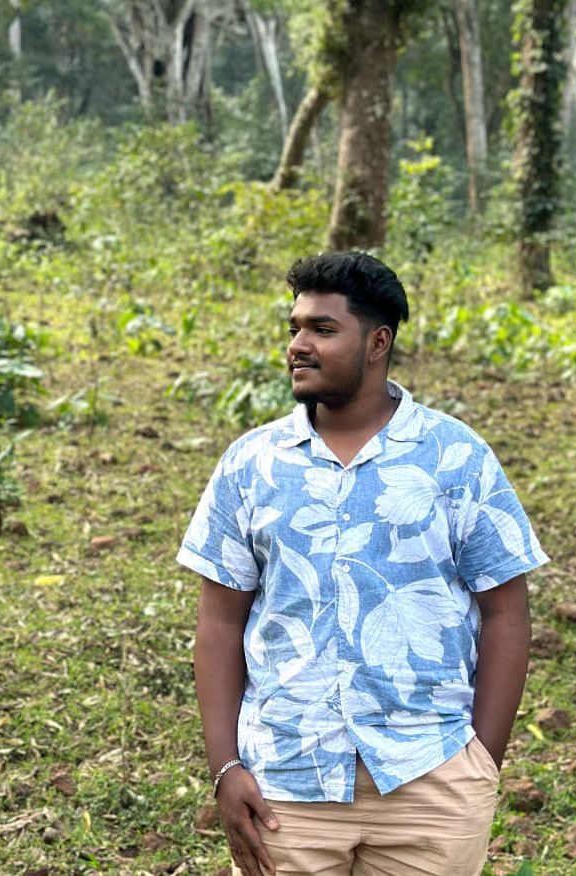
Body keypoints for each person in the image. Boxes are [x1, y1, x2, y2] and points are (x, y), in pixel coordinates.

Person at [178, 251, 549, 876]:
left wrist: (482, 762)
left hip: (430, 779)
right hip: (285, 784)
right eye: (295, 328)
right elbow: (219, 623)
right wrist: (226, 768)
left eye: (323, 329)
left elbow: (506, 612)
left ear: (378, 342)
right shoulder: (251, 464)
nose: (298, 345)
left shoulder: (456, 457)